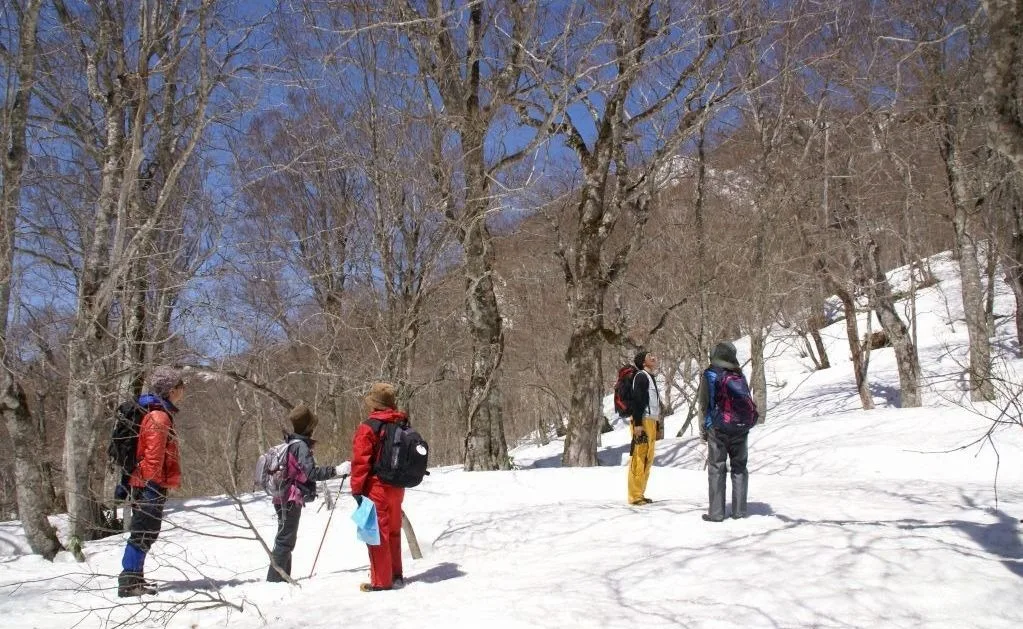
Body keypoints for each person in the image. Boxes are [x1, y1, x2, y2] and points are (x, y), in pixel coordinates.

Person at [117, 367, 185, 597]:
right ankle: (129, 580)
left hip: (145, 482)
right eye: (180, 387)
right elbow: (154, 457)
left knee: (147, 530)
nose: (182, 391)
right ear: (171, 390)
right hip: (148, 484)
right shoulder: (159, 416)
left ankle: (135, 578)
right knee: (143, 530)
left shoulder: (155, 412)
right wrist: (153, 485)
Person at [267, 404, 349, 582]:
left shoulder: (290, 442)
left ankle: (282, 578)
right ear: (309, 427)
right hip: (289, 497)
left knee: (284, 538)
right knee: (285, 540)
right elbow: (312, 473)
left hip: (281, 496)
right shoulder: (300, 447)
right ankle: (275, 581)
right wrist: (337, 470)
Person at [350, 382, 406, 591]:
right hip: (397, 486)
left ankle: (382, 581)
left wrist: (356, 489)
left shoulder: (368, 427)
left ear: (374, 405)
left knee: (377, 534)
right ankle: (396, 574)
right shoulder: (401, 423)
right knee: (393, 531)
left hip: (376, 487)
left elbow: (360, 461)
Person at [697, 341, 751, 521]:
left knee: (717, 467)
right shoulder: (739, 374)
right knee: (739, 468)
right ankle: (740, 512)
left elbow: (704, 403)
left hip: (718, 427)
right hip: (740, 427)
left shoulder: (711, 374)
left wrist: (704, 429)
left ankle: (717, 513)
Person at [628, 350, 660, 506]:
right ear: (643, 362)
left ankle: (640, 493)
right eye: (649, 356)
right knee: (639, 457)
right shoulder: (641, 377)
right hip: (642, 421)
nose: (653, 357)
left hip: (651, 421)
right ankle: (634, 496)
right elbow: (637, 401)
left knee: (648, 458)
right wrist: (638, 424)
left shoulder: (650, 377)